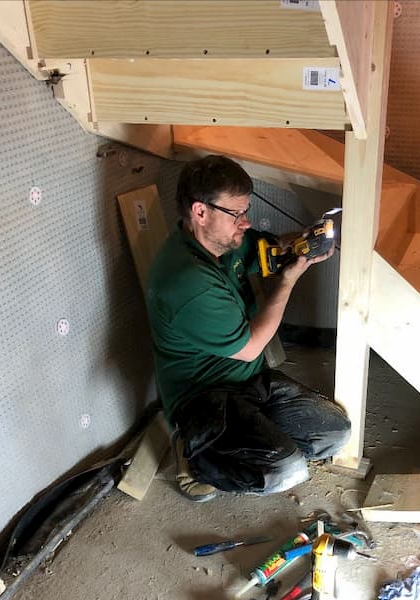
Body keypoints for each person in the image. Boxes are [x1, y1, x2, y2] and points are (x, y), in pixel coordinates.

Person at [145, 155, 351, 502]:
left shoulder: (226, 243)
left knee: (334, 433)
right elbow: (253, 346)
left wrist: (303, 244)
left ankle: (253, 435)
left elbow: (270, 250)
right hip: (204, 397)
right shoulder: (186, 280)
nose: (246, 221)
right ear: (200, 212)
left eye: (246, 210)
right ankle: (196, 451)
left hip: (251, 382)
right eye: (237, 214)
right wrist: (288, 280)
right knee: (288, 471)